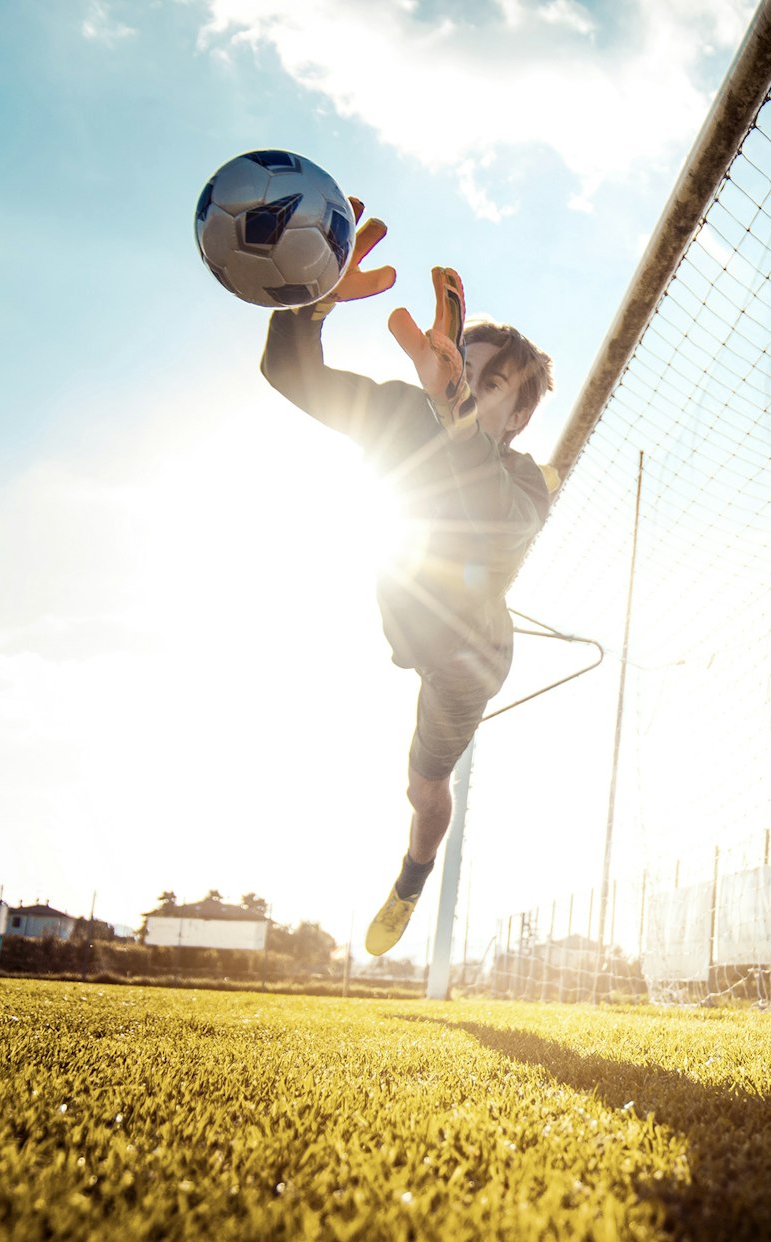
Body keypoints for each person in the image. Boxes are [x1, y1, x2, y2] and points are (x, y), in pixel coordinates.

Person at [260, 199, 557, 956]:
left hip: (469, 656)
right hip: (410, 632)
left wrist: (454, 405)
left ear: (517, 417)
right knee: (411, 783)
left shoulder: (523, 480)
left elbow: (492, 519)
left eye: (491, 385)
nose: (464, 377)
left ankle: (411, 877)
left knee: (424, 791)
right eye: (459, 357)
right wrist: (311, 300)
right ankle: (413, 860)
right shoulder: (399, 413)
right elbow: (288, 372)